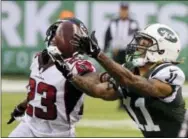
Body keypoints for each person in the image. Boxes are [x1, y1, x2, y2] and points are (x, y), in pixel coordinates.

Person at [50, 23, 186, 137]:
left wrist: (97, 54)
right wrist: (69, 73)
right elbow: (99, 91)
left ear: (162, 50)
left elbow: (133, 82)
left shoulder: (168, 72)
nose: (138, 46)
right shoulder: (129, 72)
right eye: (139, 42)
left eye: (145, 43)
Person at [7, 17, 95, 137]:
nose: (55, 39)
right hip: (29, 126)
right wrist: (21, 107)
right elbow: (37, 95)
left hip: (59, 133)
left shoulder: (78, 67)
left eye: (62, 36)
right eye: (56, 34)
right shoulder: (38, 59)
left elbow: (95, 85)